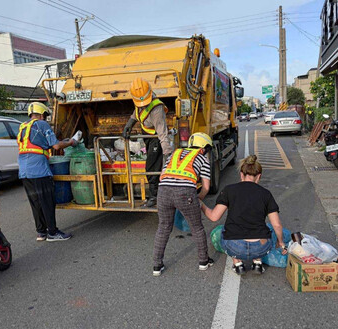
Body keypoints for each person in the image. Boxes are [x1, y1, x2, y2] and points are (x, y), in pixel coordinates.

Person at [201, 155, 287, 275]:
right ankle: (257, 262)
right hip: (260, 248)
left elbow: (214, 217)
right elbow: (277, 225)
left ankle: (238, 264)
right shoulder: (266, 194)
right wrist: (281, 243)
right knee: (266, 229)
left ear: (241, 174)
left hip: (235, 247)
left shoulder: (229, 190)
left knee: (224, 229)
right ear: (259, 176)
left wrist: (201, 204)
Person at [152, 132, 215, 276]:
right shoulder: (202, 159)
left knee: (163, 227)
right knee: (197, 228)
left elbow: (165, 175)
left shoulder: (174, 154)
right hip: (185, 192)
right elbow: (206, 187)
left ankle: (157, 265)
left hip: (163, 191)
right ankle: (203, 261)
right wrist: (197, 198)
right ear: (204, 148)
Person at [18, 102, 80, 242]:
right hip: (39, 170)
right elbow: (56, 145)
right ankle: (52, 232)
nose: (45, 118)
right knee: (47, 201)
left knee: (36, 203)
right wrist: (70, 142)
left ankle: (41, 233)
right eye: (45, 115)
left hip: (24, 171)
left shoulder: (23, 127)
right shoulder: (42, 124)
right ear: (41, 114)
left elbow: (38, 144)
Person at [122, 78, 173, 207]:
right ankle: (156, 195)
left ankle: (155, 197)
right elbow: (137, 114)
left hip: (156, 139)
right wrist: (129, 125)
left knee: (152, 168)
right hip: (148, 138)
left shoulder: (156, 108)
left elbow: (162, 132)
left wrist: (168, 154)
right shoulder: (139, 100)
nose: (142, 104)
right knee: (151, 167)